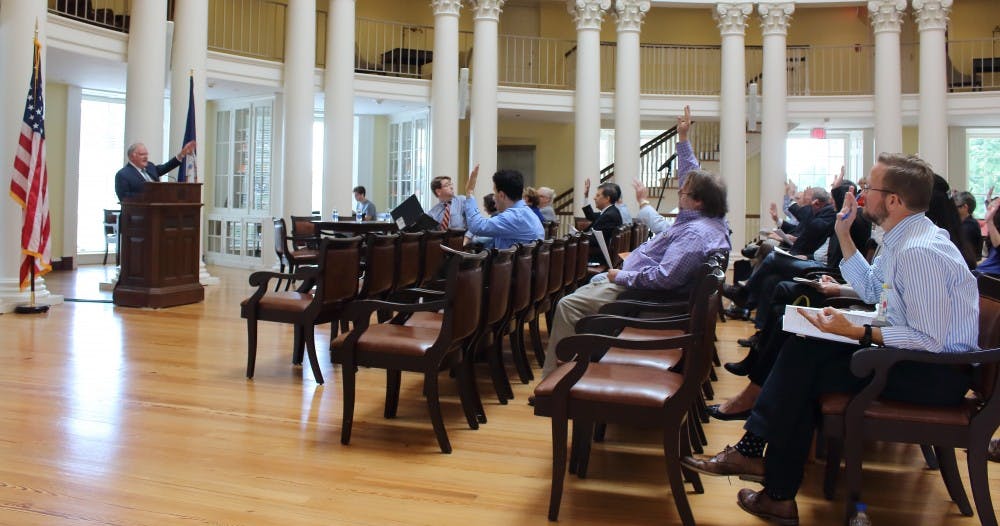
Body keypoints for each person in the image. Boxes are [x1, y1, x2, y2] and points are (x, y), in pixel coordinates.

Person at [683, 152, 979, 525]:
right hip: (911, 360)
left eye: (869, 188)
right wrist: (842, 234)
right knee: (803, 341)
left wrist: (856, 330)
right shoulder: (903, 237)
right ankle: (768, 479)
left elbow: (929, 339)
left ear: (893, 200)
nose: (860, 194)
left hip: (934, 376)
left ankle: (763, 467)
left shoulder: (920, 250)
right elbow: (873, 289)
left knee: (804, 361)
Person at [541, 105, 731, 376]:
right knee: (585, 288)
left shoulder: (694, 233)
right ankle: (575, 363)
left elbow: (664, 277)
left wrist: (621, 276)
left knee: (568, 303)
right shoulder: (710, 218)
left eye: (683, 193)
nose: (679, 195)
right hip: (641, 285)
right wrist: (683, 138)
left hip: (643, 295)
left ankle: (556, 379)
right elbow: (691, 174)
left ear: (697, 201)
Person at [462, 166, 545, 250]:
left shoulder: (514, 216)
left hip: (509, 263)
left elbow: (477, 226)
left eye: (495, 193)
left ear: (502, 195)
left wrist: (469, 192)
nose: (493, 197)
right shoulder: (526, 212)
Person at [115, 141, 196, 201]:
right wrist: (148, 196)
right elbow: (124, 197)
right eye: (142, 154)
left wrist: (181, 154)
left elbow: (166, 167)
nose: (146, 157)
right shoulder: (123, 174)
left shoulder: (150, 167)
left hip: (158, 212)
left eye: (146, 154)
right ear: (132, 157)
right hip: (137, 216)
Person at [581, 180, 623, 263]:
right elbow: (591, 216)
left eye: (598, 195)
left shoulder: (609, 215)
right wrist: (586, 196)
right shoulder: (609, 211)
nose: (594, 198)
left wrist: (577, 237)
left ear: (607, 198)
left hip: (596, 256)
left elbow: (594, 240)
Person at [955, 190, 983, 258]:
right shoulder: (965, 223)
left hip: (969, 264)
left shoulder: (970, 226)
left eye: (955, 206)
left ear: (965, 207)